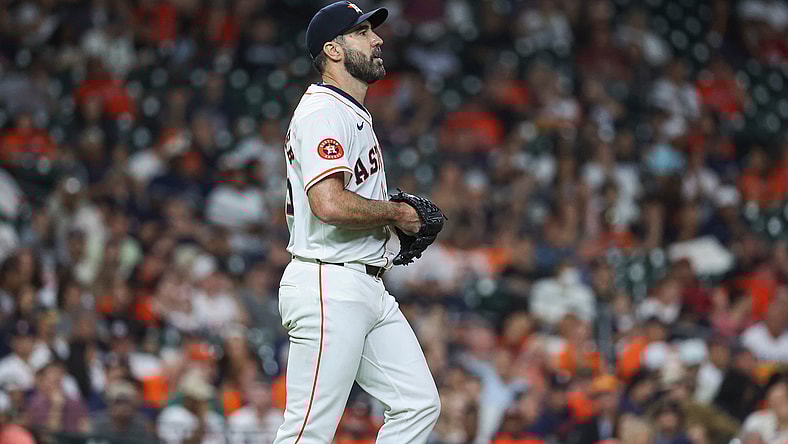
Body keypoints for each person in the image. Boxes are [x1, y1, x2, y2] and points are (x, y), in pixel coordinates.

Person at [273, 2, 441, 443]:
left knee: (417, 404)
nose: (377, 39)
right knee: (308, 432)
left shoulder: (349, 112)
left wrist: (388, 223)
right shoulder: (323, 112)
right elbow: (327, 203)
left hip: (365, 284)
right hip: (329, 281)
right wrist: (394, 212)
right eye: (363, 32)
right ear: (333, 49)